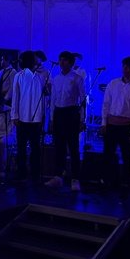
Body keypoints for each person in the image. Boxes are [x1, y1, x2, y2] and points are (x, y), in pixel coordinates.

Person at [101, 56, 130, 188]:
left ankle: (126, 182)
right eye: (124, 66)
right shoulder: (113, 84)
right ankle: (109, 180)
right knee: (108, 154)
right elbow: (106, 104)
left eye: (129, 67)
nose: (125, 69)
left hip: (128, 126)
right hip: (111, 125)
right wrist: (103, 123)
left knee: (127, 156)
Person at [46, 51, 86, 191]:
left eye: (64, 60)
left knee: (73, 147)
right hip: (58, 113)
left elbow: (82, 100)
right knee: (59, 147)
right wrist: (51, 119)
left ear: (70, 62)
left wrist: (82, 119)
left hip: (71, 113)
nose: (61, 63)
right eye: (60, 60)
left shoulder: (77, 78)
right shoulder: (56, 78)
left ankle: (75, 178)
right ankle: (58, 176)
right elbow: (53, 100)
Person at [11, 51, 45, 182]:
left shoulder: (40, 76)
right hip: (22, 118)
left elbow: (44, 97)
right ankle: (21, 173)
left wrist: (43, 116)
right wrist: (14, 115)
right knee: (21, 147)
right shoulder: (19, 75)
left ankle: (35, 173)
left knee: (36, 147)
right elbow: (15, 96)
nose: (37, 61)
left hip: (37, 118)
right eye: (35, 59)